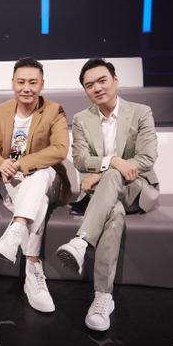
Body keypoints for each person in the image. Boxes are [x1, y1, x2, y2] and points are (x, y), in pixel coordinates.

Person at [56, 58, 159, 331]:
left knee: (113, 174)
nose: (97, 88)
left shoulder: (140, 112)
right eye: (89, 85)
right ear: (85, 91)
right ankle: (103, 298)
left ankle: (81, 242)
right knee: (114, 213)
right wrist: (112, 162)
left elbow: (147, 158)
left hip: (137, 188)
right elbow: (80, 160)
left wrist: (107, 170)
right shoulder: (82, 119)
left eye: (102, 81)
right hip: (105, 197)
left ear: (115, 80)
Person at [0, 57, 71, 313]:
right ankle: (33, 270)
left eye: (33, 82)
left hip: (47, 179)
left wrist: (21, 164)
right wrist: (1, 164)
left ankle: (15, 232)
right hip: (12, 181)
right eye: (21, 82)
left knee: (40, 175)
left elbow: (60, 149)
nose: (26, 88)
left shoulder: (54, 111)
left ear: (42, 84)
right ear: (12, 83)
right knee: (37, 200)